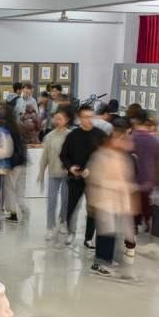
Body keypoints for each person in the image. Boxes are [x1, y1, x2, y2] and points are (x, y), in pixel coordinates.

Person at [87, 118, 138, 278]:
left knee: (109, 233)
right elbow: (98, 179)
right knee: (106, 234)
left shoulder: (119, 156)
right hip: (105, 201)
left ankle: (103, 261)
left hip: (114, 201)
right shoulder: (103, 155)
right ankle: (101, 263)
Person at [60, 105, 107, 249]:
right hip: (75, 178)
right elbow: (63, 155)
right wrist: (70, 167)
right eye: (85, 117)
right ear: (79, 118)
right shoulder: (73, 135)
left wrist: (92, 169)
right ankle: (71, 232)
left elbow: (105, 157)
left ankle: (88, 238)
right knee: (72, 206)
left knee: (92, 209)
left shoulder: (100, 135)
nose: (88, 120)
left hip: (94, 180)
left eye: (91, 117)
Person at [38, 108, 72, 240]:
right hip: (53, 173)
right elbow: (45, 156)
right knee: (51, 201)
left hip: (67, 174)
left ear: (66, 120)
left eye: (60, 119)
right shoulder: (49, 136)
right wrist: (41, 172)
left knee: (65, 200)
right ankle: (49, 227)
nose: (57, 121)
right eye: (55, 118)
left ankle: (63, 221)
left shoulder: (70, 135)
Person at [130, 110, 159, 235]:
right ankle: (147, 222)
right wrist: (157, 181)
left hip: (133, 180)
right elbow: (158, 163)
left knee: (134, 204)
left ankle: (134, 226)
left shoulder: (131, 138)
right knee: (146, 204)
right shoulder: (154, 141)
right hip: (148, 180)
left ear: (135, 121)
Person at [3, 106, 28, 223]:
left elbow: (8, 149)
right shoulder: (16, 126)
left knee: (10, 188)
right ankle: (22, 209)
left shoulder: (6, 128)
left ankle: (13, 214)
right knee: (17, 189)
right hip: (21, 161)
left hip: (13, 163)